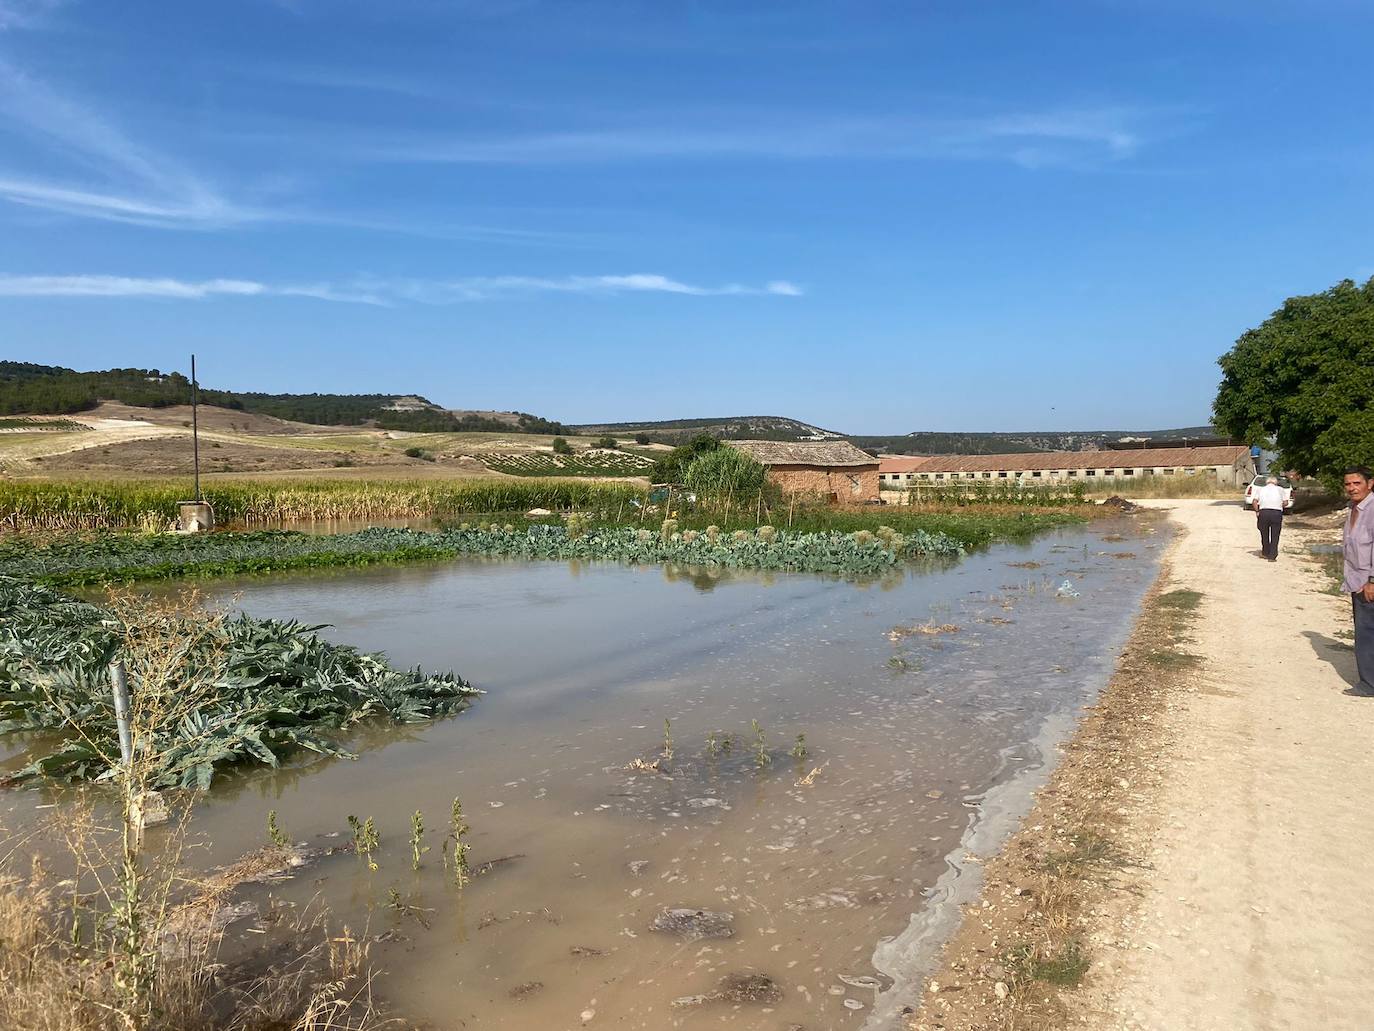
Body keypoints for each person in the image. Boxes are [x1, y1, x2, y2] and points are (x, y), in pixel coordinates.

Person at [1344, 466, 1374, 695]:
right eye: (1348, 484)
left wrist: (1372, 581)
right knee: (1364, 629)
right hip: (1356, 580)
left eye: (1357, 483)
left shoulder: (1372, 509)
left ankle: (1369, 684)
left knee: (1366, 632)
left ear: (1369, 483)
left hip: (1368, 582)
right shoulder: (1354, 508)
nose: (1352, 488)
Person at [1252, 475, 1288, 561]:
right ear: (1276, 482)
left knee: (1264, 533)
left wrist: (1257, 511)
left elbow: (1254, 501)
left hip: (1264, 512)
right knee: (1275, 534)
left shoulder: (1261, 489)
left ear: (1267, 482)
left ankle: (1265, 552)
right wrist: (1279, 505)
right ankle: (1272, 556)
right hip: (1276, 512)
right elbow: (1286, 502)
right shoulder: (1280, 489)